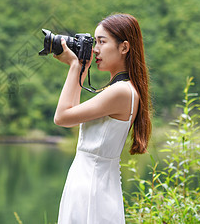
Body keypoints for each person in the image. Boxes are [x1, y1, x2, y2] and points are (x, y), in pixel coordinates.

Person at [54, 13, 152, 223]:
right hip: (95, 184)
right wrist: (81, 68)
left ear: (124, 47)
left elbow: (62, 116)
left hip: (91, 188)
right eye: (94, 41)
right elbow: (71, 111)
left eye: (101, 41)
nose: (95, 49)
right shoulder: (124, 90)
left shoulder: (121, 91)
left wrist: (74, 66)